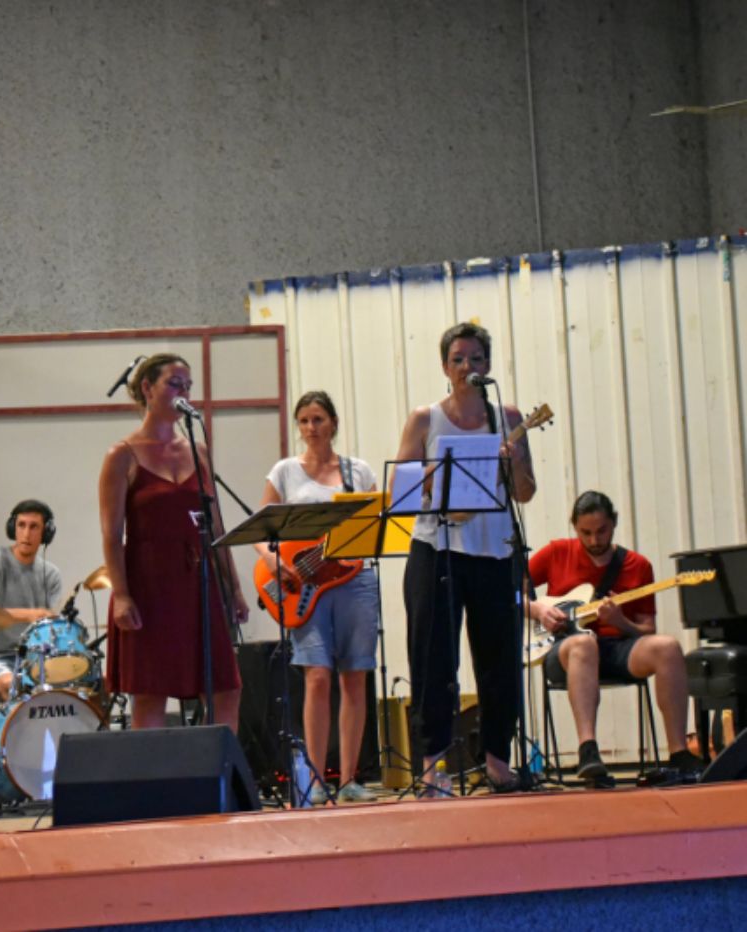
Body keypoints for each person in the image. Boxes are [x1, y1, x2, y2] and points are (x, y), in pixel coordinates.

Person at [395, 322, 536, 793]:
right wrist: (439, 475)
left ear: (487, 365)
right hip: (436, 551)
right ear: (444, 366)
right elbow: (402, 491)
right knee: (433, 661)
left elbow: (525, 493)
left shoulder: (507, 416)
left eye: (475, 358)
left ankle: (497, 760)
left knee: (500, 661)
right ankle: (431, 766)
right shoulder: (425, 419)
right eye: (457, 359)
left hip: (494, 551)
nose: (467, 367)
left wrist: (513, 460)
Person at [98, 353, 248, 731]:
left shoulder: (197, 450)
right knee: (151, 692)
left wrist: (234, 587)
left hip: (198, 580)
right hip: (149, 582)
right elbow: (112, 535)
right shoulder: (121, 455)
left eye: (188, 386)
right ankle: (151, 770)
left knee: (226, 688)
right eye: (175, 384)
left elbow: (216, 524)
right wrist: (122, 595)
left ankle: (217, 766)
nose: (184, 393)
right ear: (147, 388)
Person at [255, 390, 380, 803]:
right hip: (305, 584)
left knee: (355, 675)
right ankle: (313, 779)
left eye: (318, 419)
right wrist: (272, 561)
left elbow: (374, 525)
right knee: (317, 676)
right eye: (304, 421)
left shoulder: (357, 471)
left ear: (334, 423)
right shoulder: (285, 471)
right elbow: (259, 529)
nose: (311, 428)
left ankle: (349, 780)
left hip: (355, 581)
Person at [528, 491, 702, 785]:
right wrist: (538, 610)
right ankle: (588, 751)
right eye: (585, 533)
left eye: (602, 531)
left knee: (668, 647)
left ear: (614, 524)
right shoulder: (557, 552)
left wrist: (620, 621)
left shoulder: (637, 565)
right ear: (574, 527)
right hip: (565, 650)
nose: (594, 540)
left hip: (617, 648)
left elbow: (647, 630)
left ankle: (679, 754)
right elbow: (508, 591)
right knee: (584, 644)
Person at [0, 500, 63, 703]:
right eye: (21, 525)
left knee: (83, 683)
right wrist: (30, 615)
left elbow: (52, 631)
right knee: (11, 683)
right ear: (13, 528)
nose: (26, 534)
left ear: (46, 533)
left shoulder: (51, 575)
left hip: (34, 661)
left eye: (34, 527)